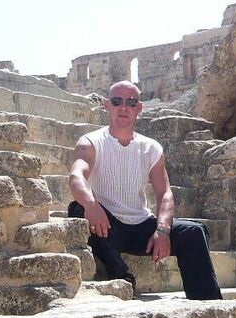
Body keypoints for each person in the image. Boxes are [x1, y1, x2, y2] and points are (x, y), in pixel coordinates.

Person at [68, 80, 222, 300]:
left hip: (142, 226)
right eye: (117, 101)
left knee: (194, 232)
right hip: (107, 226)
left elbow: (164, 193)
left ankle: (207, 301)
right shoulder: (91, 142)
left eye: (131, 102)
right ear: (107, 105)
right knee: (78, 208)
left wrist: (162, 230)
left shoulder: (151, 148)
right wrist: (91, 205)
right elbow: (76, 176)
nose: (124, 107)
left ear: (139, 108)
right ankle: (122, 277)